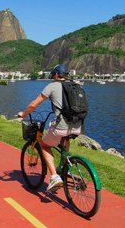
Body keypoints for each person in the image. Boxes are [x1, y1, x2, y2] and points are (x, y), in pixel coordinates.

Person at [18, 64, 82, 192]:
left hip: (62, 126)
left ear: (57, 75)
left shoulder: (52, 86)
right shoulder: (75, 86)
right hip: (78, 125)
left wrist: (23, 114)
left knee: (44, 146)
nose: (53, 77)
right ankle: (65, 170)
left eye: (53, 75)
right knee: (65, 141)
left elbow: (34, 104)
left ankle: (54, 177)